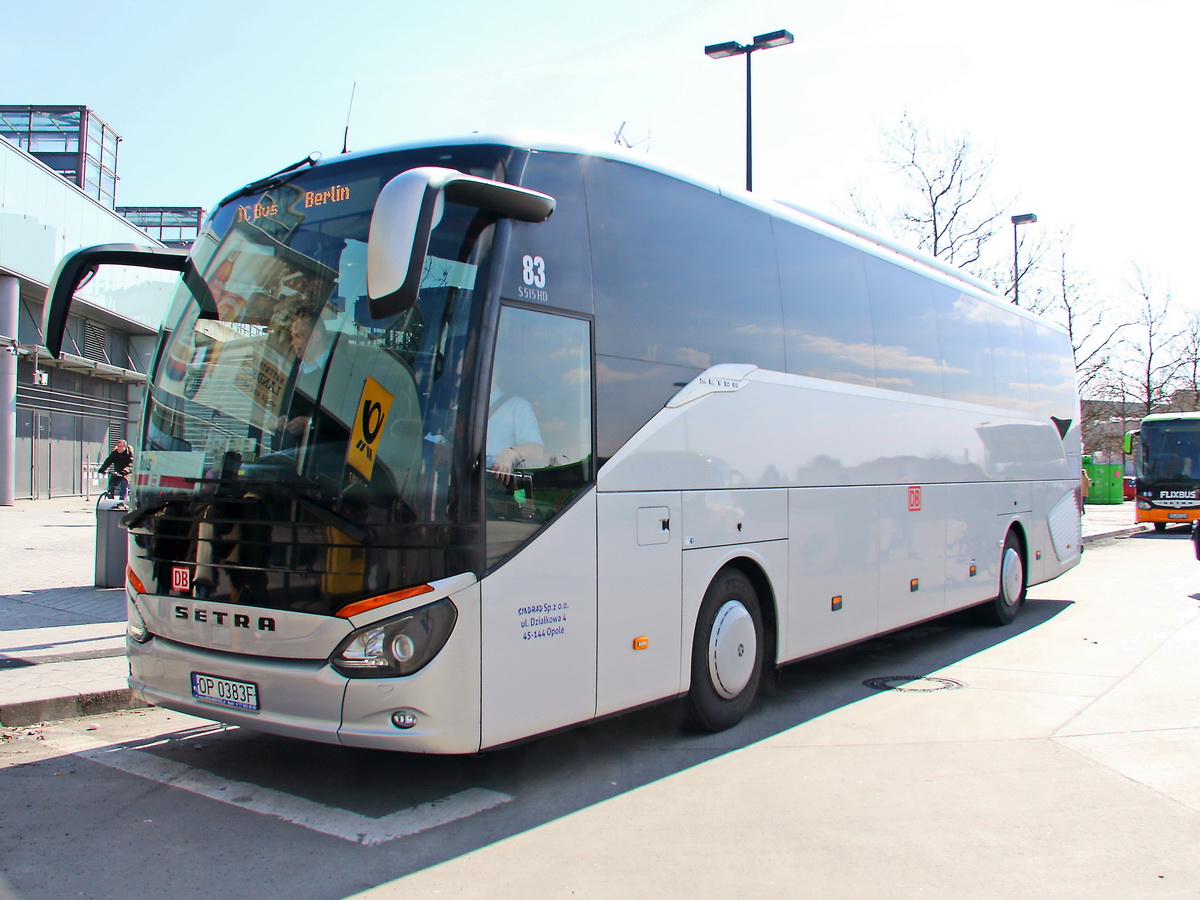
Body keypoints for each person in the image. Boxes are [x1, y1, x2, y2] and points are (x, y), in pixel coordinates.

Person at [98, 439, 133, 503]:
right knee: (112, 484)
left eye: (121, 446)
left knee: (124, 482)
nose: (119, 448)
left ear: (125, 447)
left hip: (127, 473)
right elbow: (108, 461)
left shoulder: (130, 453)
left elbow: (131, 464)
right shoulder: (115, 453)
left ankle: (123, 501)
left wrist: (125, 471)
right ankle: (111, 499)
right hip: (118, 472)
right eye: (118, 446)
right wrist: (102, 469)